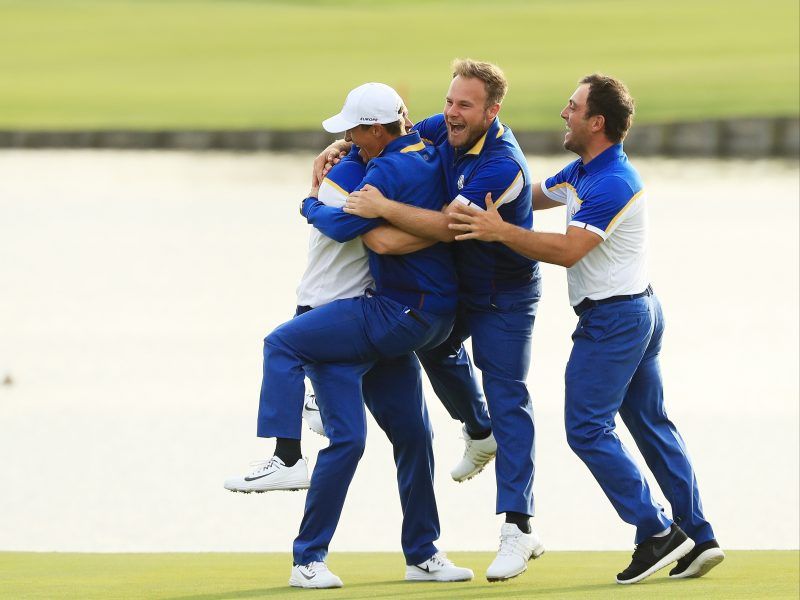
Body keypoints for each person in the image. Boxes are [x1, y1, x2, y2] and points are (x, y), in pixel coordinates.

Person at [448, 73, 724, 584]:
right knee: (650, 425)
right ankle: (699, 536)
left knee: (586, 428)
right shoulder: (583, 170)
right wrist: (486, 194)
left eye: (572, 108)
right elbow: (530, 194)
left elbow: (569, 250)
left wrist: (498, 231)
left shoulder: (610, 181)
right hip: (637, 309)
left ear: (596, 122)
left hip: (615, 320)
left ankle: (657, 531)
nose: (563, 114)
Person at [228, 83, 473, 588]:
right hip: (329, 316)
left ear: (380, 129)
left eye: (354, 130)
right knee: (349, 441)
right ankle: (307, 558)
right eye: (345, 133)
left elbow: (422, 129)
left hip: (374, 315)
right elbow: (353, 230)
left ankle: (422, 553)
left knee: (414, 435)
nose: (346, 137)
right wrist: (311, 195)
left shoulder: (393, 160)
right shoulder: (343, 177)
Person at [341, 59, 543, 582]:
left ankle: (518, 529)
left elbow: (455, 226)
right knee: (432, 345)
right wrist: (338, 148)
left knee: (507, 395)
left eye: (464, 105)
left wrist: (381, 206)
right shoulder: (443, 127)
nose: (451, 113)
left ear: (491, 112)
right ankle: (478, 430)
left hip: (504, 294)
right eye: (450, 101)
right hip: (458, 286)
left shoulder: (503, 164)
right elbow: (391, 137)